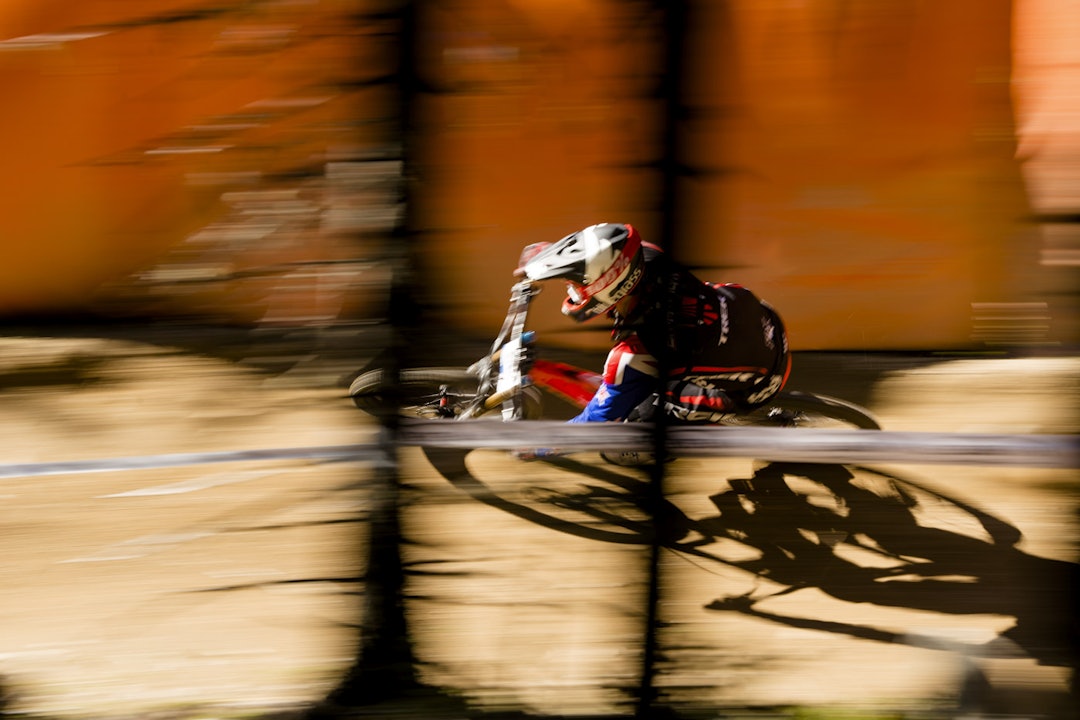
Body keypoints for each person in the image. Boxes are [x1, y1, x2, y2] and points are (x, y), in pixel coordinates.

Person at [515, 223, 790, 458]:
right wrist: (544, 262)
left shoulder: (636, 351)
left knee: (638, 414)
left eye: (577, 284)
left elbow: (594, 424)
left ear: (608, 287)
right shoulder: (648, 256)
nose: (572, 289)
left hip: (757, 386)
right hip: (763, 321)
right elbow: (612, 257)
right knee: (640, 377)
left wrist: (538, 448)